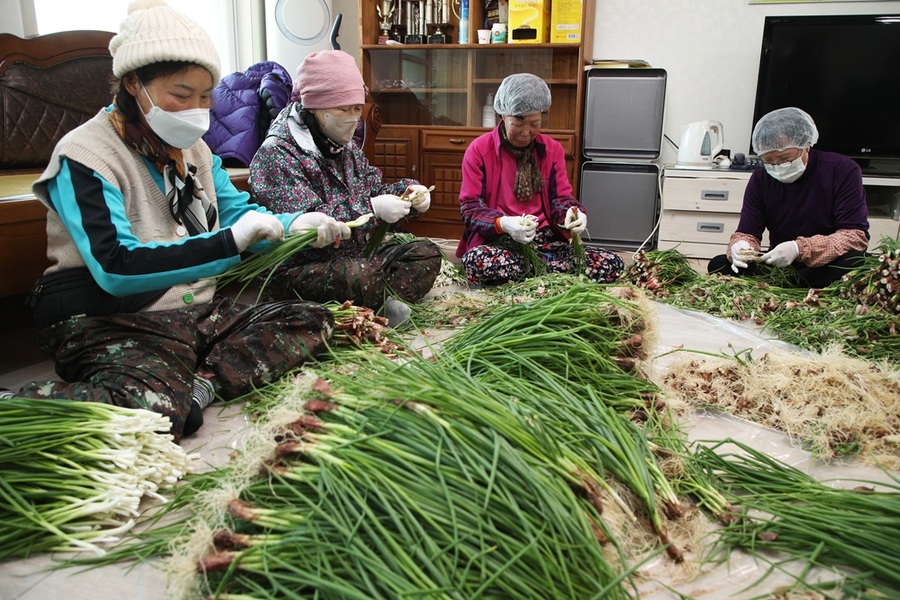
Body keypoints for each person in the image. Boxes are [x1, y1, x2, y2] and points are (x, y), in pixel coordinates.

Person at [0, 0, 349, 441]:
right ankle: (19, 403)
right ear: (134, 84)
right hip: (108, 317)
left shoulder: (196, 152)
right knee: (156, 408)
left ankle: (197, 384)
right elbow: (115, 266)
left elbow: (239, 217)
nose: (196, 111)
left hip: (190, 312)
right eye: (181, 95)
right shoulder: (83, 155)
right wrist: (227, 244)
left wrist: (292, 224)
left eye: (205, 98)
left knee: (310, 320)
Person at [249, 50, 443, 326]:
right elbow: (311, 223)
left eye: (357, 108)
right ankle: (373, 304)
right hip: (301, 268)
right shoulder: (277, 155)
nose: (353, 117)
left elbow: (374, 188)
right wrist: (373, 210)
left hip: (357, 256)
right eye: (343, 109)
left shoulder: (343, 147)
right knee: (362, 276)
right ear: (315, 107)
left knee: (426, 252)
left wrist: (409, 193)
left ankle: (373, 304)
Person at [455, 73, 624, 285]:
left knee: (611, 263)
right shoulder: (479, 150)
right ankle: (551, 274)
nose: (526, 132)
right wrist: (504, 223)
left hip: (545, 240)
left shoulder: (552, 150)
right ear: (503, 115)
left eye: (534, 123)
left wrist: (574, 215)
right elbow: (470, 210)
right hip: (501, 241)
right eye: (518, 121)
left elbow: (560, 200)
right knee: (476, 261)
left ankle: (532, 271)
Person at [707, 107, 869, 288]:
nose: (777, 167)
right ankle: (795, 285)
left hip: (825, 264)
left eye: (785, 159)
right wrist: (740, 247)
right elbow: (748, 231)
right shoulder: (761, 179)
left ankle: (783, 286)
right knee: (719, 264)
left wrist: (800, 248)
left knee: (857, 261)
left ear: (806, 145)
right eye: (768, 161)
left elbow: (854, 237)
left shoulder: (842, 170)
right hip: (781, 264)